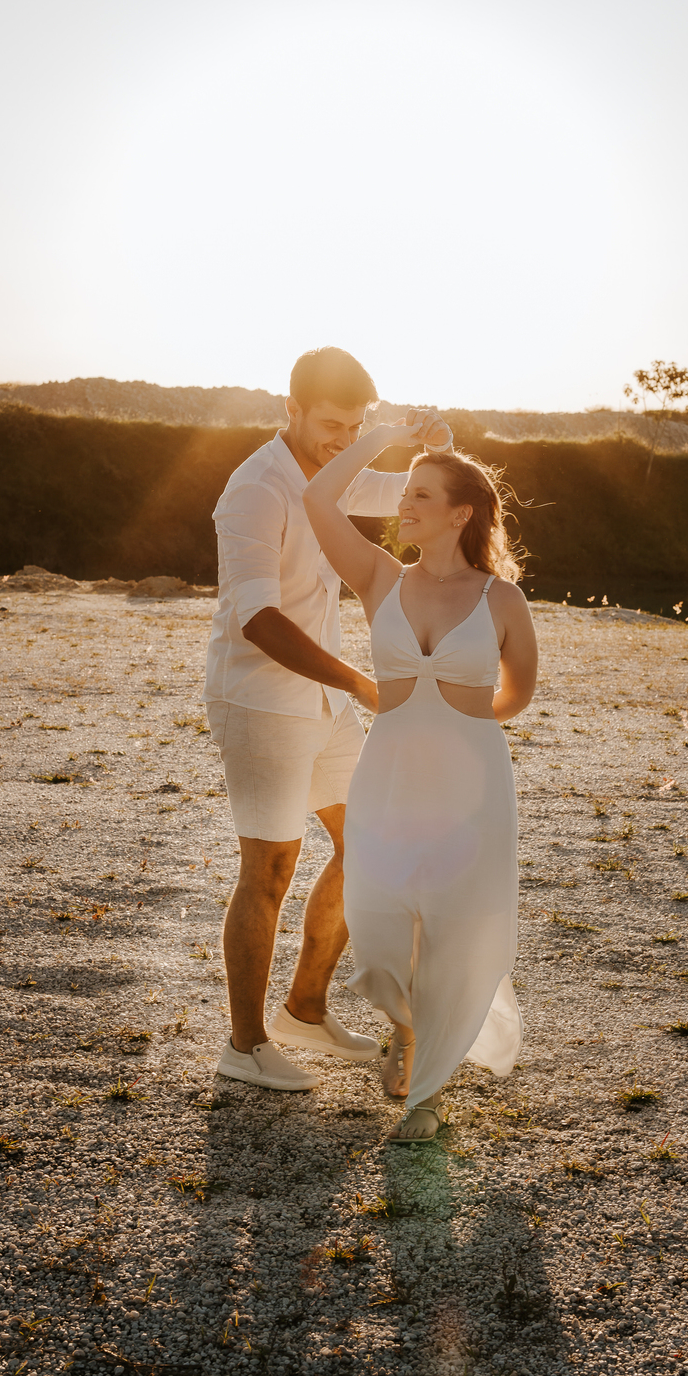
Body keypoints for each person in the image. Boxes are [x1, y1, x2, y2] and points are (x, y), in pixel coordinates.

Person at [204, 346, 451, 1091]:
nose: (340, 439)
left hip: (326, 699)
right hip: (261, 699)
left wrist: (434, 444)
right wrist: (361, 682)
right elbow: (257, 620)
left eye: (355, 427)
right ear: (292, 409)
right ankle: (245, 1047)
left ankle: (304, 1011)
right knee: (270, 868)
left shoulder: (332, 478)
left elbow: (398, 493)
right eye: (329, 424)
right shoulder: (255, 489)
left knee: (368, 844)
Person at [302, 414, 538, 1141]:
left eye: (420, 495)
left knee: (454, 931)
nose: (403, 505)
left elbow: (518, 693)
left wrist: (462, 723)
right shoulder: (379, 576)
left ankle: (426, 1096)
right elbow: (318, 501)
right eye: (405, 494)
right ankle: (404, 1028)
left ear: (461, 513)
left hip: (472, 788)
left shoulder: (502, 599)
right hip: (391, 774)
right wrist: (385, 437)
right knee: (377, 926)